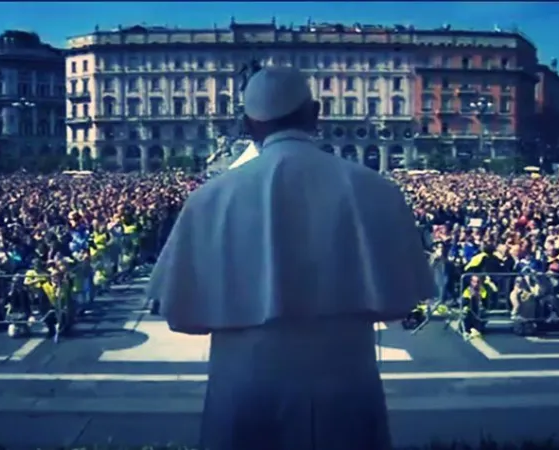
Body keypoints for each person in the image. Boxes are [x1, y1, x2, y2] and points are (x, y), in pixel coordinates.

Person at [147, 66, 435, 450]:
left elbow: (181, 316)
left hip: (244, 391)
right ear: (314, 114)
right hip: (346, 389)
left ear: (247, 125)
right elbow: (402, 300)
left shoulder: (209, 199)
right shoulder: (375, 188)